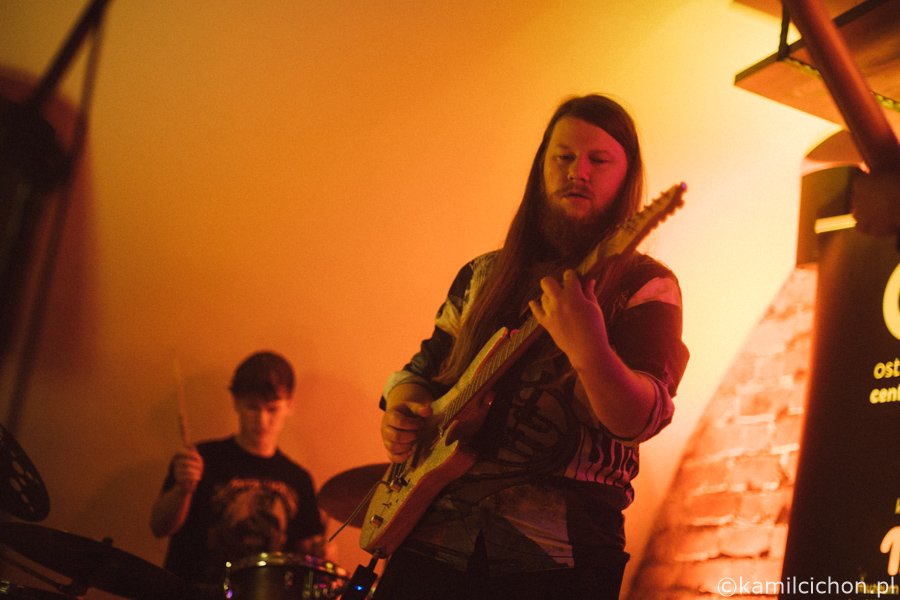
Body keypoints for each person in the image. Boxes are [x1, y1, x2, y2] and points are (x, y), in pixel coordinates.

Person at [373, 94, 690, 600]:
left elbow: (640, 419)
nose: (578, 172)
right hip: (432, 540)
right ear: (542, 166)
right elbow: (419, 373)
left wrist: (588, 348)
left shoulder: (648, 286)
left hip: (559, 558)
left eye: (598, 160)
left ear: (626, 180)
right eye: (563, 157)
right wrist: (402, 411)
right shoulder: (482, 275)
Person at [150, 350, 325, 591]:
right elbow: (159, 528)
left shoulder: (299, 479)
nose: (262, 420)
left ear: (290, 405)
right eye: (252, 407)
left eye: (272, 409)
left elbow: (304, 559)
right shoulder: (199, 459)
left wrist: (321, 553)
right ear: (236, 402)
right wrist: (182, 490)